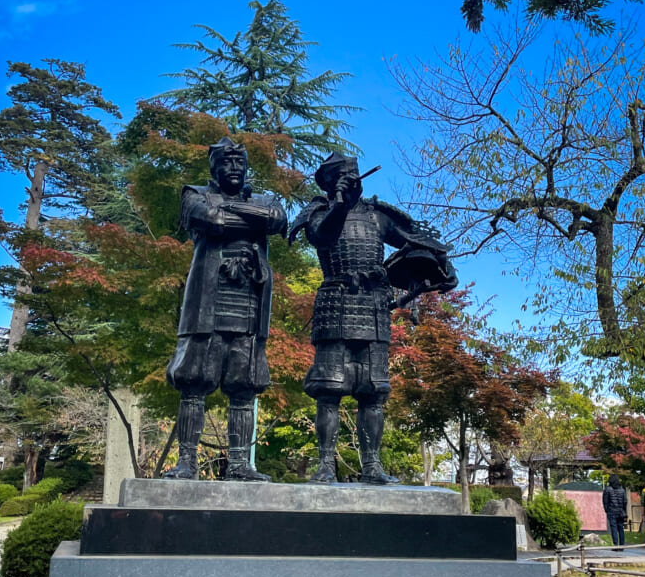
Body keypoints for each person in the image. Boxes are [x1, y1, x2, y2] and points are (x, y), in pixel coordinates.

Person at [289, 152, 457, 484]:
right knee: (329, 389)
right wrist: (339, 202)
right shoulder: (319, 212)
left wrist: (441, 267)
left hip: (373, 306)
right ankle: (325, 464)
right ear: (330, 182)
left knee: (373, 389)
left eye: (354, 174)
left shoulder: (378, 216)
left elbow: (418, 240)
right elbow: (324, 237)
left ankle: (372, 465)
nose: (352, 180)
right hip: (335, 303)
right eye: (343, 176)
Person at [165, 136, 287, 480]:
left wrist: (234, 211)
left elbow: (277, 220)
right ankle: (186, 461)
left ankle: (239, 464)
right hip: (208, 299)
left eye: (240, 162)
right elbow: (210, 220)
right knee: (194, 380)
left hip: (249, 299)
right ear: (214, 167)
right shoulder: (194, 194)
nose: (234, 168)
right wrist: (252, 218)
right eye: (227, 162)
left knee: (245, 383)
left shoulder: (266, 200)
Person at [602, 474, 627, 552]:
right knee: (621, 528)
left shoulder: (607, 489)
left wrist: (606, 509)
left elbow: (605, 501)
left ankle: (616, 544)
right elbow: (625, 501)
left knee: (614, 528)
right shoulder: (622, 490)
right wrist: (624, 510)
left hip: (611, 511)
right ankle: (622, 545)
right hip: (620, 511)